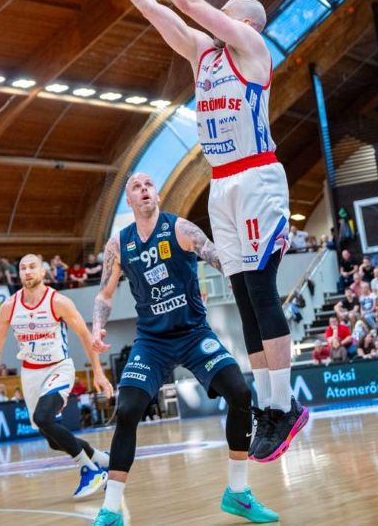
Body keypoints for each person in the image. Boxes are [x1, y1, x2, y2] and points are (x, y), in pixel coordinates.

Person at [74, 0, 306, 461]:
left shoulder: (253, 50)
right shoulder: (205, 54)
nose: (213, 19)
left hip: (256, 177)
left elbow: (189, 1)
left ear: (245, 24)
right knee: (243, 296)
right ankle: (271, 407)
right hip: (221, 182)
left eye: (225, 15)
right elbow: (158, 11)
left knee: (262, 291)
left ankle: (282, 404)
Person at [90, 172, 279, 526]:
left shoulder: (180, 229)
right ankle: (111, 510)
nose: (144, 190)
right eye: (136, 187)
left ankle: (238, 493)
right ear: (129, 201)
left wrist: (242, 277)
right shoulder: (118, 245)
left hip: (194, 334)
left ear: (157, 194)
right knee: (128, 409)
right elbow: (104, 294)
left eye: (148, 185)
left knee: (240, 392)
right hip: (152, 341)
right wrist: (97, 325)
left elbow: (215, 256)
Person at [0, 254, 113, 502]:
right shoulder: (9, 306)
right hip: (30, 373)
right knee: (52, 439)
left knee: (43, 417)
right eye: (23, 268)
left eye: (32, 267)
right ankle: (102, 459)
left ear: (43, 272)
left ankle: (90, 470)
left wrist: (97, 371)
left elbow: (85, 336)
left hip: (58, 368)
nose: (27, 271)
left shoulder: (58, 301)